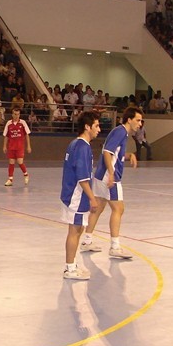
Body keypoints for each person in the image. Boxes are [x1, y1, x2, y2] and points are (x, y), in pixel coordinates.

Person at [80, 107, 143, 259]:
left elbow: (114, 154)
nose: (140, 124)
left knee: (99, 207)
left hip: (102, 174)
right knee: (118, 208)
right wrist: (112, 174)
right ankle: (115, 247)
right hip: (109, 176)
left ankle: (87, 241)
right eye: (138, 120)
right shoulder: (120, 132)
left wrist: (128, 155)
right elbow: (107, 152)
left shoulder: (121, 133)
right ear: (129, 119)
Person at [59, 111, 101, 280]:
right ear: (87, 126)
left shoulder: (75, 144)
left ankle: (72, 264)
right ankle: (69, 268)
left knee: (79, 229)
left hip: (72, 194)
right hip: (76, 195)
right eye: (96, 126)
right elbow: (83, 178)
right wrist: (92, 198)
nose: (99, 129)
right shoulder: (83, 147)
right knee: (75, 230)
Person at [2, 107, 32, 186]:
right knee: (11, 162)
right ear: (12, 114)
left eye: (18, 114)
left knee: (20, 162)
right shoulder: (9, 123)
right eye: (15, 114)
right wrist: (4, 146)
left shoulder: (23, 123)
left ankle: (26, 175)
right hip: (11, 146)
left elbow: (27, 135)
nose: (17, 116)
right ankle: (10, 179)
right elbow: (6, 136)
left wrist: (28, 146)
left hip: (20, 146)